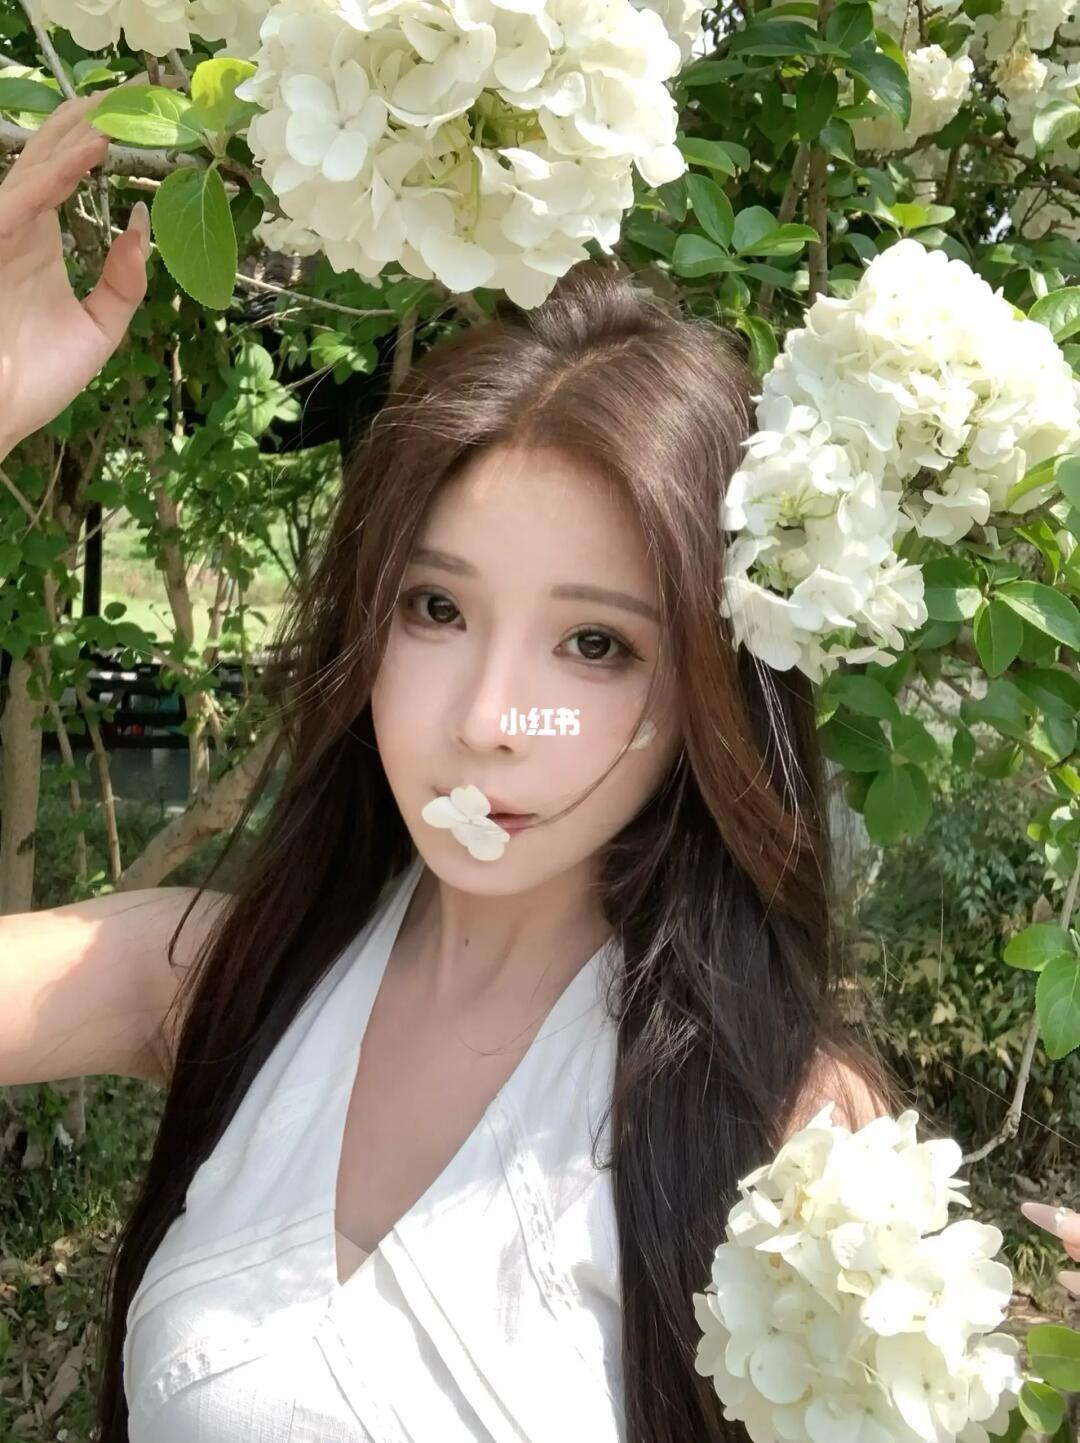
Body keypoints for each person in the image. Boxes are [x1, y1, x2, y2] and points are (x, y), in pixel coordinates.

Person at [0, 97, 898, 1443]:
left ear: (711, 689)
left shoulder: (787, 1135)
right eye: (436, 610)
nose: (488, 719)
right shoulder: (219, 984)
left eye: (595, 645)